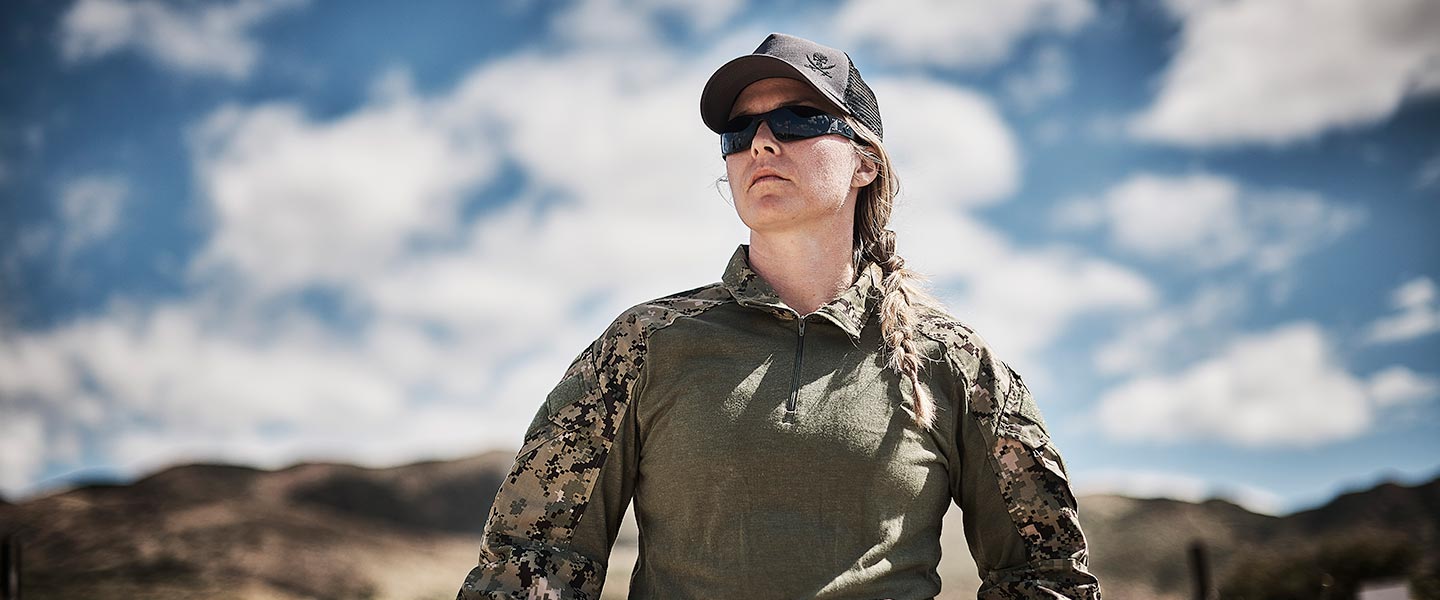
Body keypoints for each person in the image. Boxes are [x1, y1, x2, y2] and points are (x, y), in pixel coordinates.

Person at [457, 33, 1101, 599]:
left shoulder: (950, 363)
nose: (762, 142)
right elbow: (531, 559)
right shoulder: (646, 344)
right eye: (740, 133)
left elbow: (1044, 573)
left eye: (799, 119)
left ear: (865, 161)